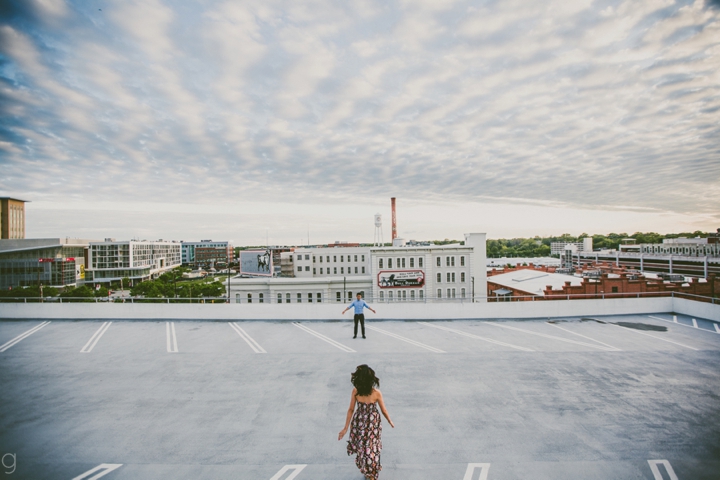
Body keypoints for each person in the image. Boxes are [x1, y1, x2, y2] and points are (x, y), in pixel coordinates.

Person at [338, 364, 394, 480]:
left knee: (363, 447)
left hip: (360, 422)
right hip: (373, 424)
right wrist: (389, 420)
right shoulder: (376, 393)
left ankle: (367, 469)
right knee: (372, 447)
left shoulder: (356, 391)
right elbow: (383, 410)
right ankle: (372, 472)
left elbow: (351, 409)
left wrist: (345, 428)